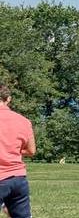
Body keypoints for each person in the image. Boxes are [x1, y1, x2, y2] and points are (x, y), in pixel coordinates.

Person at [0, 83, 36, 218]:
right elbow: (31, 151)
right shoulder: (24, 121)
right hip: (18, 179)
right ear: (8, 99)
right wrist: (12, 150)